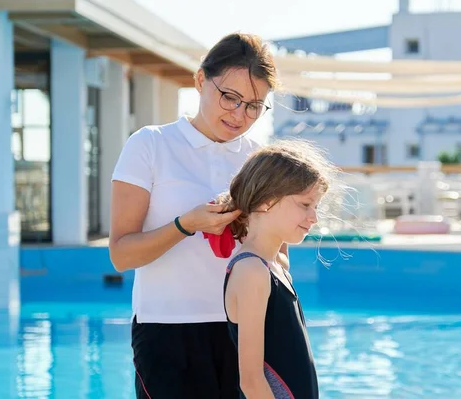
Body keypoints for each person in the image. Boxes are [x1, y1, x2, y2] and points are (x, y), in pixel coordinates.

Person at [109, 32, 284, 398]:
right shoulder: (150, 144)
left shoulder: (259, 158)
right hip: (166, 331)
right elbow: (122, 254)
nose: (239, 115)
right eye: (230, 97)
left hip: (242, 333)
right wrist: (186, 224)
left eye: (254, 105)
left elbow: (278, 258)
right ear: (201, 80)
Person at [221, 140, 339, 399]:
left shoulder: (276, 264)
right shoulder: (252, 272)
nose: (314, 217)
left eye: (316, 206)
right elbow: (251, 380)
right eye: (305, 204)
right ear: (266, 202)